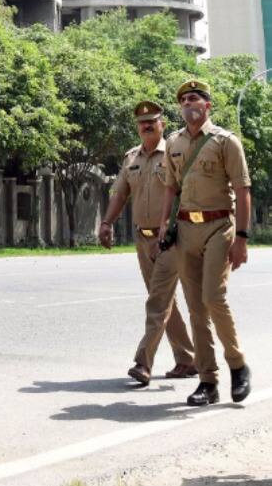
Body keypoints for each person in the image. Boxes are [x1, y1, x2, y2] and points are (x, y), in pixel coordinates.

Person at [156, 79, 252, 406]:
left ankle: (237, 365)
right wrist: (162, 226)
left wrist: (241, 237)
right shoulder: (173, 143)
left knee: (214, 298)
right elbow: (170, 187)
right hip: (185, 230)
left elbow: (242, 190)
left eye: (194, 98)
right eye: (183, 100)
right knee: (196, 308)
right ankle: (207, 382)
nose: (187, 103)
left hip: (219, 226)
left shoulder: (225, 141)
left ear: (207, 105)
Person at [99, 100, 196, 386]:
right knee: (165, 302)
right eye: (142, 122)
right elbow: (119, 194)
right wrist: (106, 223)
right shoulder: (132, 158)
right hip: (143, 239)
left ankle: (143, 361)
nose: (147, 125)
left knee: (157, 301)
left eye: (152, 121)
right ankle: (187, 359)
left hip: (171, 238)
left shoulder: (176, 153)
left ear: (162, 125)